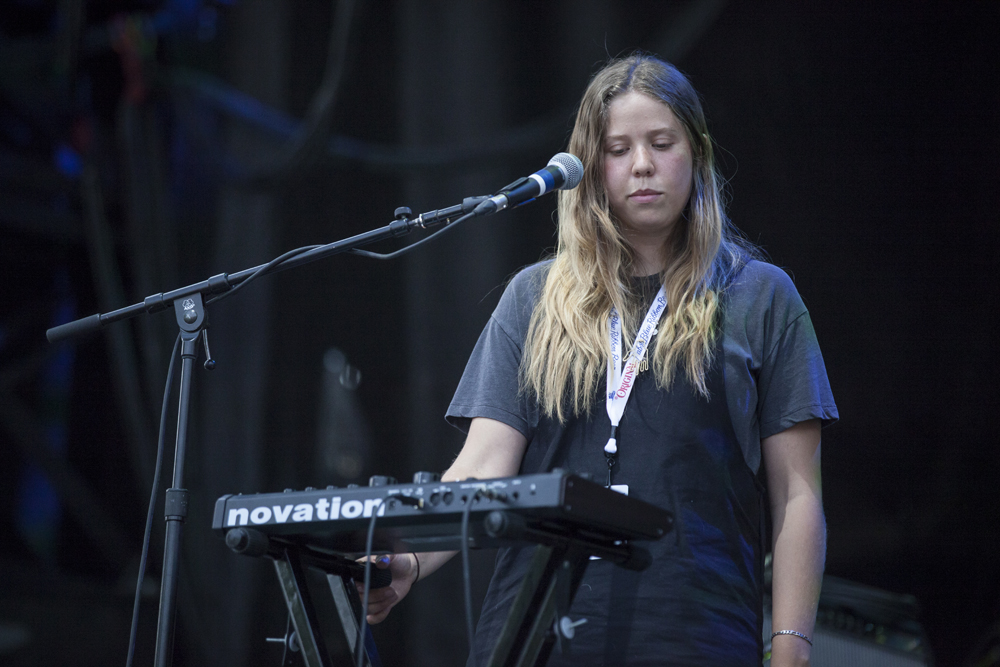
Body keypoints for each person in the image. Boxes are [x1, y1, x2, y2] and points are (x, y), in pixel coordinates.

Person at [362, 54, 838, 666]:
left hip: (694, 637)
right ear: (589, 167)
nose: (642, 164)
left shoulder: (761, 296)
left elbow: (799, 496)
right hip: (531, 639)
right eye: (618, 149)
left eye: (661, 143)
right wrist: (410, 558)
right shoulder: (533, 299)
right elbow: (481, 466)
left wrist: (791, 648)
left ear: (696, 154)